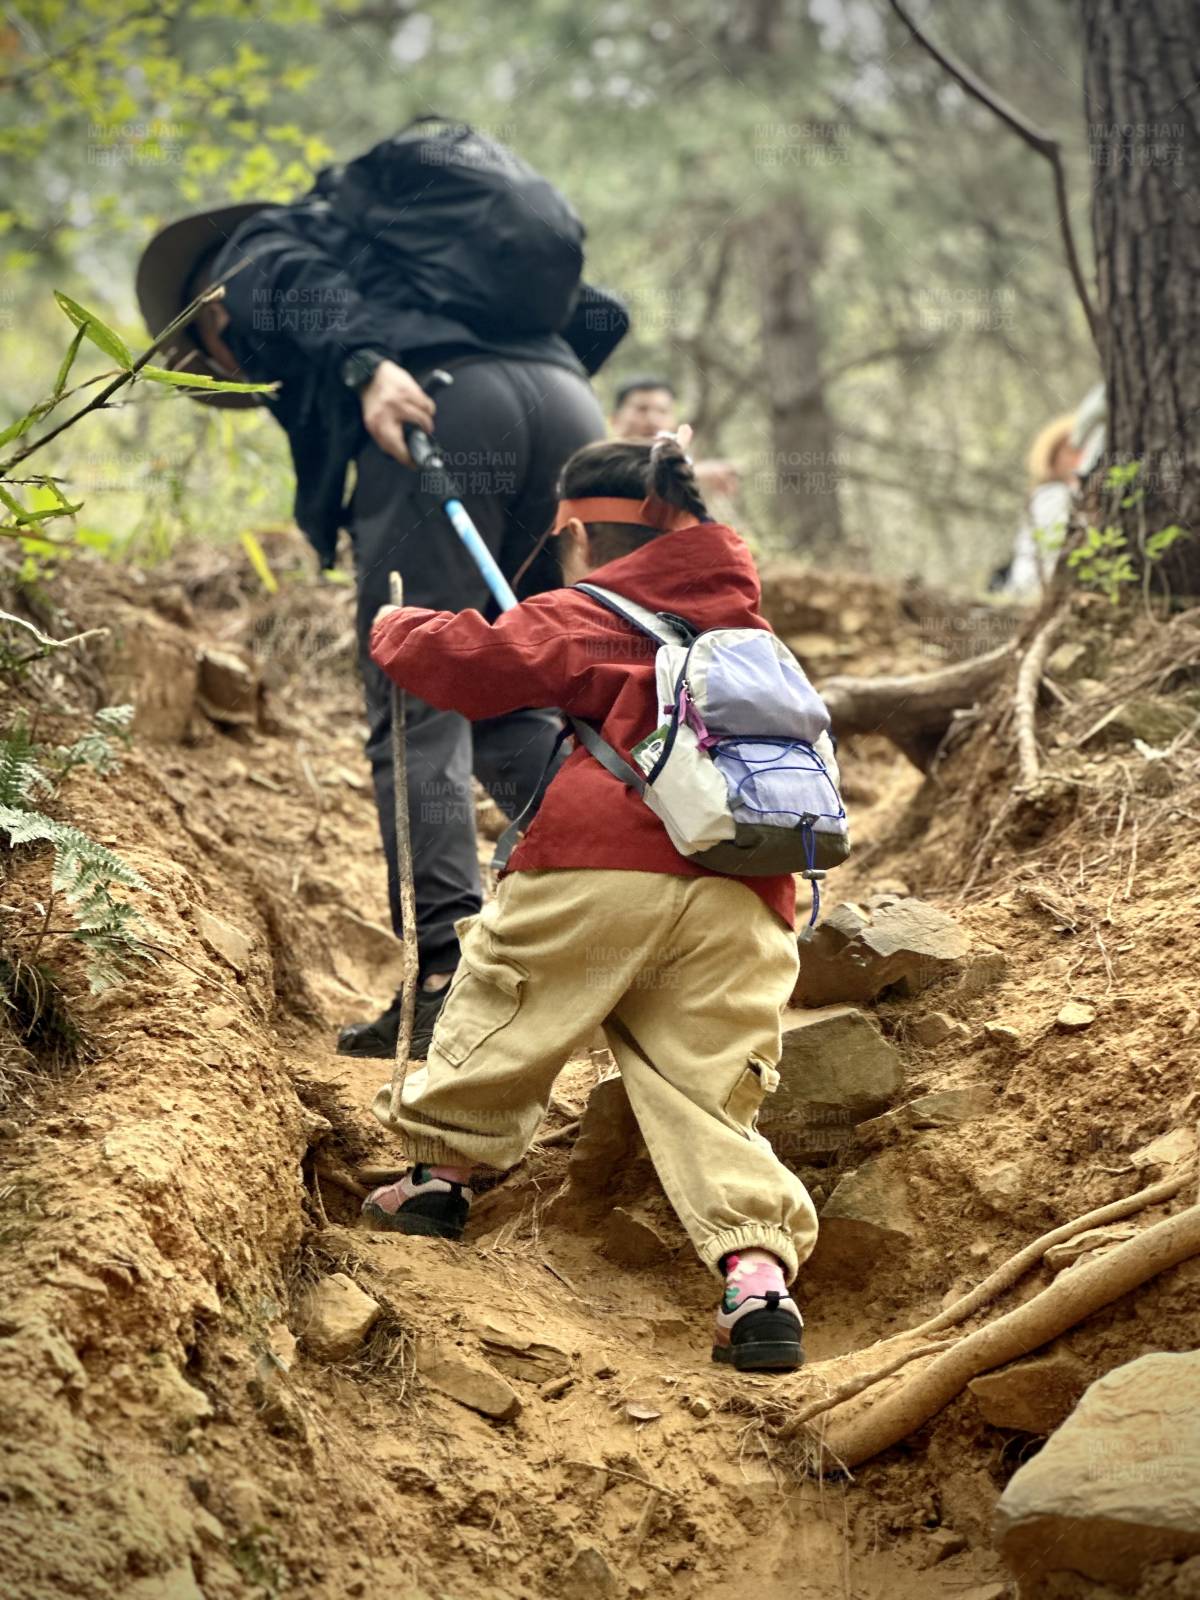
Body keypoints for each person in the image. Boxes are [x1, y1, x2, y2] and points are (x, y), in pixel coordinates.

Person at [135, 121, 628, 1059]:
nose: (227, 369)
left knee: (419, 693)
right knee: (505, 687)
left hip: (439, 410)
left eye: (211, 351)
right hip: (566, 409)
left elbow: (296, 293)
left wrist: (369, 365)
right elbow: (600, 313)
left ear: (210, 311)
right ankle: (626, 901)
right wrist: (529, 408)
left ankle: (448, 970)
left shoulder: (262, 249)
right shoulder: (424, 256)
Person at [360, 431, 816, 1372]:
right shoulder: (754, 637)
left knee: (507, 1009)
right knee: (709, 1094)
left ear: (580, 531)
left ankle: (440, 1183)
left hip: (597, 866)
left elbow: (469, 666)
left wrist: (393, 626)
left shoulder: (592, 611)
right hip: (749, 891)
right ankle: (757, 1283)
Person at [610, 376, 740, 500]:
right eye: (641, 409)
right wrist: (689, 476)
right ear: (615, 420)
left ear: (674, 423)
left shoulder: (681, 466)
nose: (653, 420)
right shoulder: (601, 462)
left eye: (662, 411)